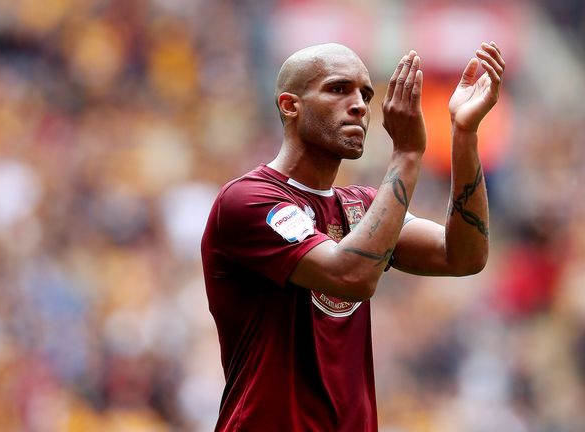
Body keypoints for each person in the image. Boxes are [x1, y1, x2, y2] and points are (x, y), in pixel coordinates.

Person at [201, 41, 505, 431]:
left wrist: (464, 134)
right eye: (338, 88)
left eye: (365, 94)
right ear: (290, 105)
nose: (361, 105)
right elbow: (350, 276)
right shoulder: (248, 200)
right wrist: (408, 155)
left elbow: (462, 256)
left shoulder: (361, 205)